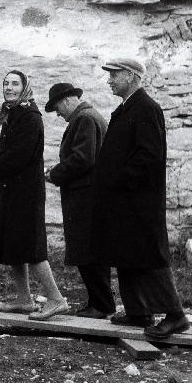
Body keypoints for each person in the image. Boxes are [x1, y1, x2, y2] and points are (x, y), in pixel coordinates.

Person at [91, 57, 190, 338]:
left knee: (148, 258)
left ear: (133, 76)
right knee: (126, 254)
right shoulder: (125, 109)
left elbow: (148, 156)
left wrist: (119, 182)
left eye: (115, 75)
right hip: (123, 200)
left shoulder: (146, 108)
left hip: (138, 200)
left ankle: (175, 315)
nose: (109, 80)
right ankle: (138, 311)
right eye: (109, 75)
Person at [0, 70, 68, 320]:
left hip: (25, 191)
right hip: (13, 188)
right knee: (15, 244)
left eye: (15, 84)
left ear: (25, 87)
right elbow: (5, 150)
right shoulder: (14, 113)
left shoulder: (29, 116)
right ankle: (23, 299)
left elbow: (18, 155)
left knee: (31, 246)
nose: (9, 88)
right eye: (6, 83)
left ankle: (56, 299)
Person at [44, 82, 114, 319]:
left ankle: (102, 305)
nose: (58, 114)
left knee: (89, 251)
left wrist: (55, 173)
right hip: (92, 195)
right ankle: (99, 302)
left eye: (57, 108)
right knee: (93, 251)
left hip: (87, 197)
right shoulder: (89, 116)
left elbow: (83, 158)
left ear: (66, 101)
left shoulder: (83, 118)